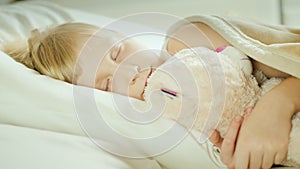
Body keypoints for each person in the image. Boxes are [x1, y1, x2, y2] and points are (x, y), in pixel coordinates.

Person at [2, 20, 300, 169]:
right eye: (106, 84)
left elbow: (289, 56)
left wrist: (277, 104)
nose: (127, 70)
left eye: (117, 52)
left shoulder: (186, 40)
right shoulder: (165, 118)